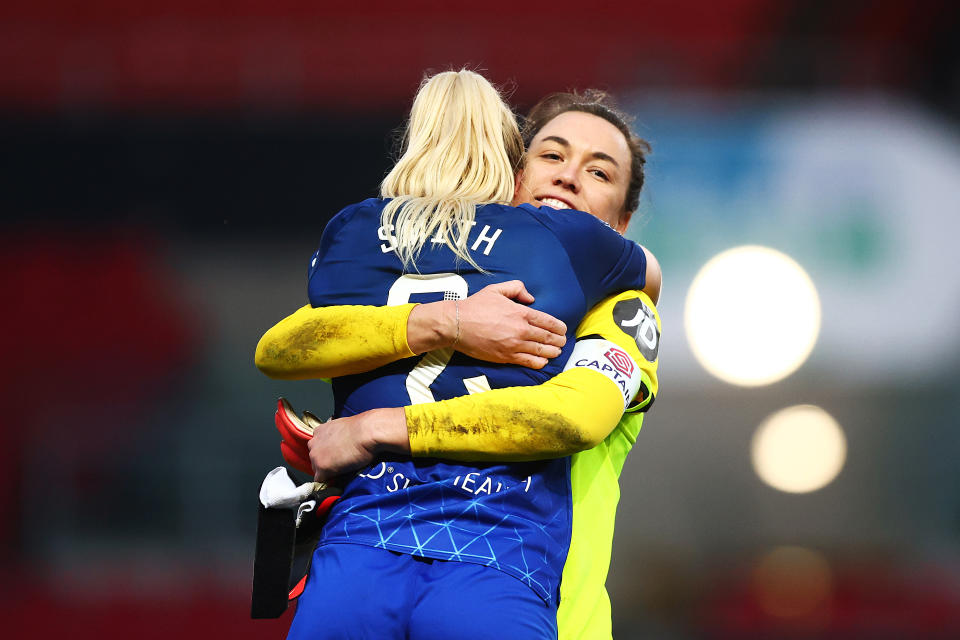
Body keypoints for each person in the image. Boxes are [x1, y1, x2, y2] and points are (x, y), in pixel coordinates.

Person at [258, 70, 656, 640]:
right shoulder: (443, 269)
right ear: (512, 172)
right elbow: (283, 344)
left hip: (549, 613)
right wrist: (448, 321)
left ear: (622, 226)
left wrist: (375, 426)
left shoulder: (621, 314)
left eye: (598, 172)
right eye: (551, 156)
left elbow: (572, 415)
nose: (568, 178)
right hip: (413, 562)